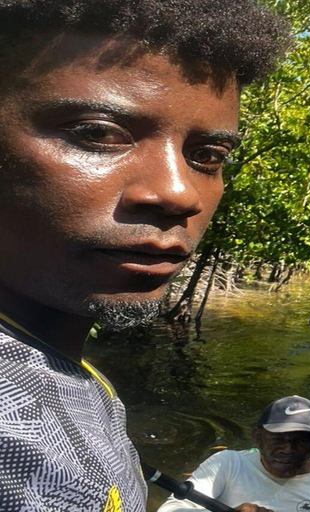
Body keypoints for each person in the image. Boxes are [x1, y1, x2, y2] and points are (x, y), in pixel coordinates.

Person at [0, 2, 288, 511]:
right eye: (98, 133)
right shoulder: (22, 449)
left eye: (208, 157)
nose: (181, 194)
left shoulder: (58, 361)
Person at [158, 396, 310, 512]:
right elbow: (171, 510)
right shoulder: (228, 464)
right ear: (257, 437)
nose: (288, 449)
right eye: (278, 439)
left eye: (300, 441)